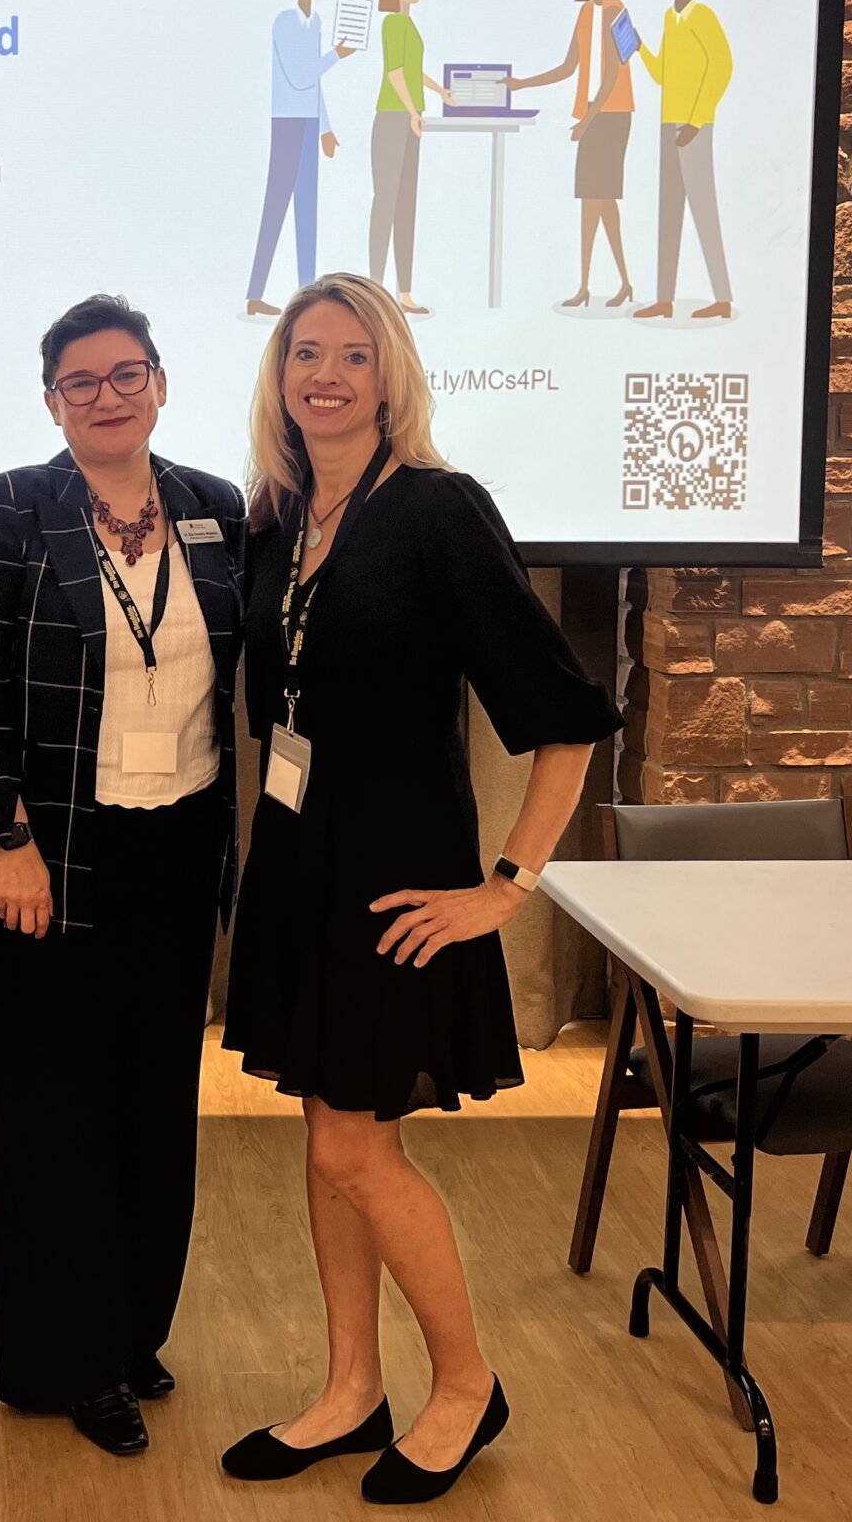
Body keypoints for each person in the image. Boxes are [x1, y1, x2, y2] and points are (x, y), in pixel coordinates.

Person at [219, 272, 622, 1504]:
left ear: (389, 374)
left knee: (357, 1148)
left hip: (400, 888)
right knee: (330, 1133)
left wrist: (506, 885)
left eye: (350, 353)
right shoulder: (276, 521)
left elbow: (564, 718)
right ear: (279, 378)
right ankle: (352, 1389)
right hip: (298, 868)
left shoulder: (440, 511)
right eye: (303, 354)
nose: (324, 374)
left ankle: (464, 1385)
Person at [0, 294, 246, 1457]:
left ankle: (129, 1332)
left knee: (152, 1100)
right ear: (52, 403)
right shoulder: (15, 507)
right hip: (49, 854)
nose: (108, 397)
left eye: (128, 374)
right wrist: (5, 839)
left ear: (161, 384)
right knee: (53, 1109)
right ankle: (63, 1362)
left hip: (175, 847)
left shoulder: (218, 511)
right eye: (83, 382)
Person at [506, 0, 637, 307]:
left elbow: (612, 75)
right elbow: (569, 67)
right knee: (594, 201)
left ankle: (617, 282)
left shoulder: (616, 11)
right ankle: (590, 285)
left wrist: (587, 122)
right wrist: (522, 84)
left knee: (602, 198)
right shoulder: (585, 14)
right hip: (592, 116)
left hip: (612, 116)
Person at [632, 0, 736, 320]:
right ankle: (664, 299)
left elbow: (722, 66)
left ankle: (722, 298)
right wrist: (638, 47)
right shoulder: (668, 20)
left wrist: (696, 119)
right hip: (668, 124)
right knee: (669, 211)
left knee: (704, 209)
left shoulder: (702, 17)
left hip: (694, 126)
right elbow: (662, 74)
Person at [246, 0, 354, 317]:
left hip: (309, 121)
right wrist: (336, 55)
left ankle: (309, 299)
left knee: (308, 210)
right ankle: (255, 293)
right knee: (276, 205)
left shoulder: (316, 21)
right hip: (288, 121)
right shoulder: (285, 23)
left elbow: (315, 84)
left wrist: (325, 128)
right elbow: (300, 74)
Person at [367, 0, 454, 316]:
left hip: (408, 119)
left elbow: (415, 71)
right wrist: (413, 112)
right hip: (392, 119)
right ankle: (373, 289)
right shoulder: (391, 23)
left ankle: (404, 293)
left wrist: (440, 92)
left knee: (406, 207)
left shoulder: (409, 24)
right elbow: (397, 73)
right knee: (386, 203)